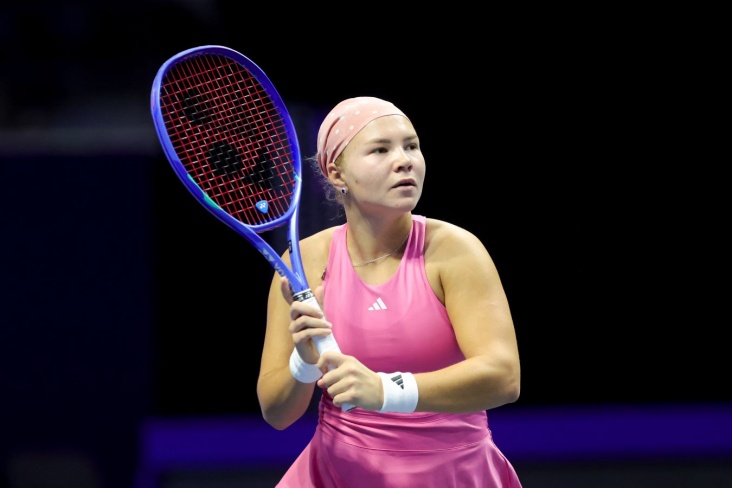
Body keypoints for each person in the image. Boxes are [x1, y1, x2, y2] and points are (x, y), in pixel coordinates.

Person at [257, 96, 522, 487]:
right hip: (335, 473)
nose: (404, 161)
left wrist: (386, 390)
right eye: (380, 150)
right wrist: (305, 361)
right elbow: (277, 414)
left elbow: (503, 378)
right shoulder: (304, 262)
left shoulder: (456, 251)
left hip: (452, 474)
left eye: (411, 146)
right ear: (336, 173)